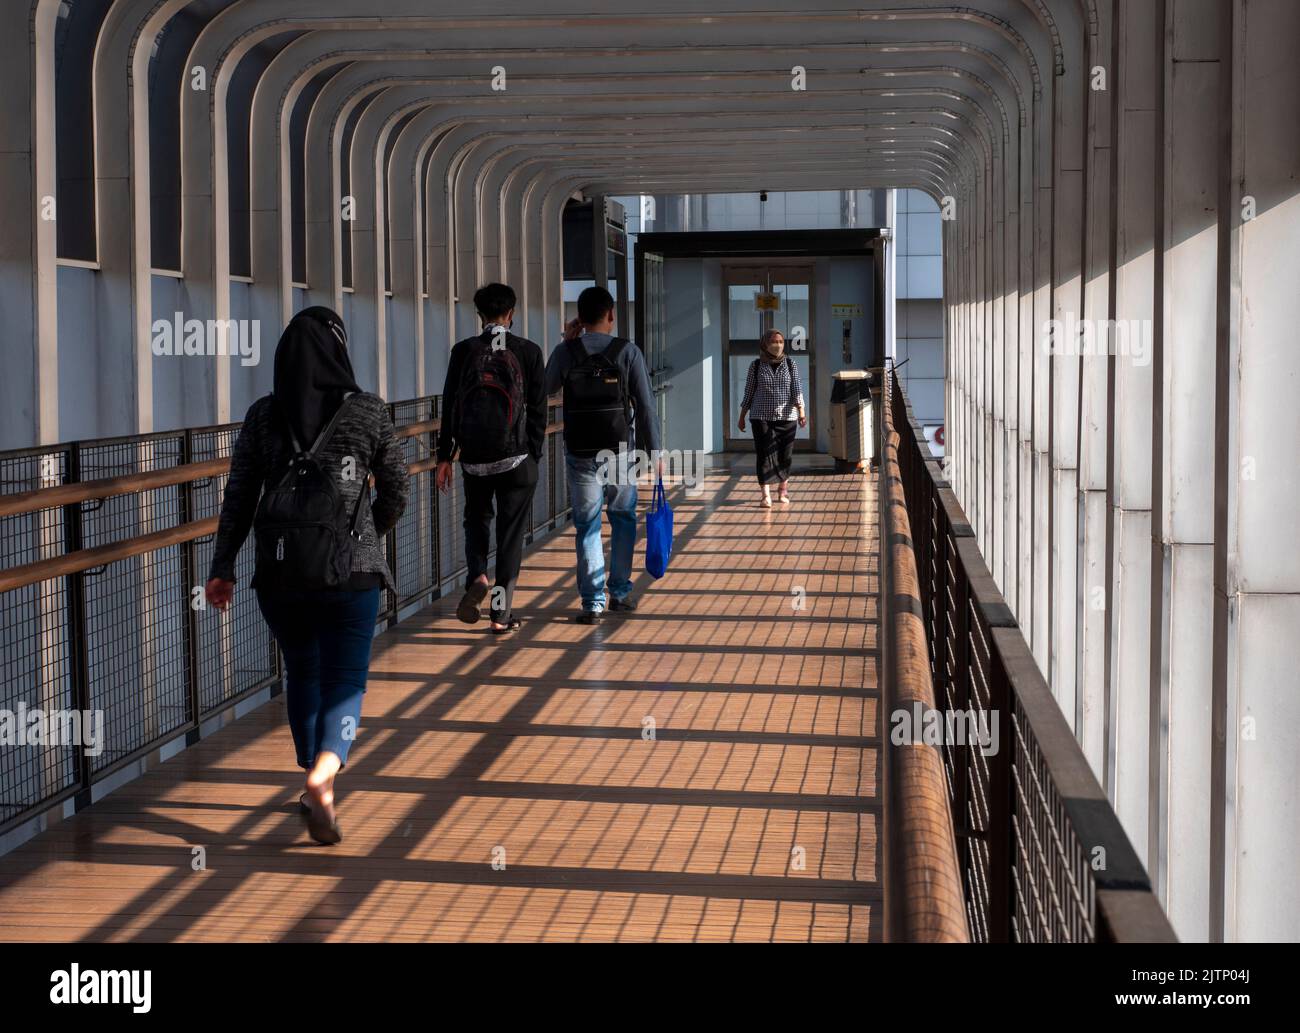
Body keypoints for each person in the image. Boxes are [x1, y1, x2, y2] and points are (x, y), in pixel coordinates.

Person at [205, 307, 409, 845]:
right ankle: (325, 774)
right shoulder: (368, 412)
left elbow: (240, 496)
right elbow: (397, 487)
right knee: (345, 679)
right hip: (352, 574)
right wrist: (369, 534)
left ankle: (309, 777)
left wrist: (221, 568)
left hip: (281, 574)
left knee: (303, 671)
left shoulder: (262, 416)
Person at [545, 285, 662, 624]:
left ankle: (592, 602)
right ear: (611, 315)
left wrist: (567, 342)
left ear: (579, 319)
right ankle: (621, 593)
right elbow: (645, 405)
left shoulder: (567, 351)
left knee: (587, 526)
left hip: (580, 450)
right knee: (623, 518)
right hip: (620, 451)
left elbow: (545, 387)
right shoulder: (628, 352)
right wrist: (654, 452)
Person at [436, 283, 546, 633]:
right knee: (510, 537)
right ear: (511, 314)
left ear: (479, 315)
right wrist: (533, 454)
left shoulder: (464, 351)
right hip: (516, 459)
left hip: (474, 458)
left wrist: (444, 457)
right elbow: (539, 410)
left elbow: (450, 404)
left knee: (477, 520)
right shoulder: (528, 351)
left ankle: (478, 576)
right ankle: (500, 614)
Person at [738, 329, 805, 507]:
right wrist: (742, 416)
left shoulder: (790, 364)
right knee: (764, 454)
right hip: (761, 416)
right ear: (765, 344)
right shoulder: (756, 365)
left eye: (781, 342)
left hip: (787, 416)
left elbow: (797, 389)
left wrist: (801, 412)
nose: (777, 345)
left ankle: (783, 490)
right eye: (773, 342)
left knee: (785, 455)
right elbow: (749, 392)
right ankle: (765, 495)